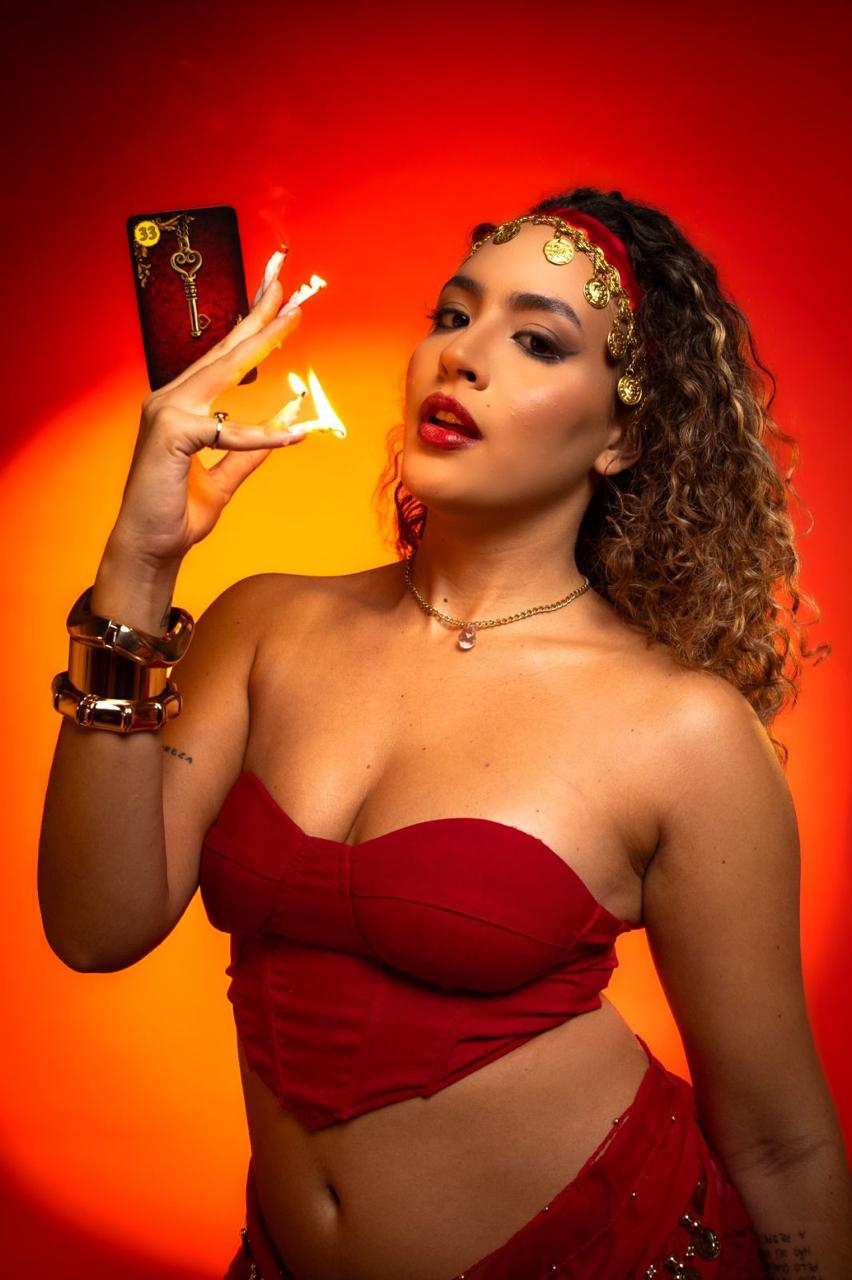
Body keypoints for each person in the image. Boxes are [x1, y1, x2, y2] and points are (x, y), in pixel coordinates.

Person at [38, 187, 852, 1280]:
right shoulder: (263, 627)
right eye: (453, 315)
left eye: (535, 341)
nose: (461, 356)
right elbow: (95, 925)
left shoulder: (683, 730)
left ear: (621, 436)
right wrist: (140, 564)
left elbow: (780, 1140)